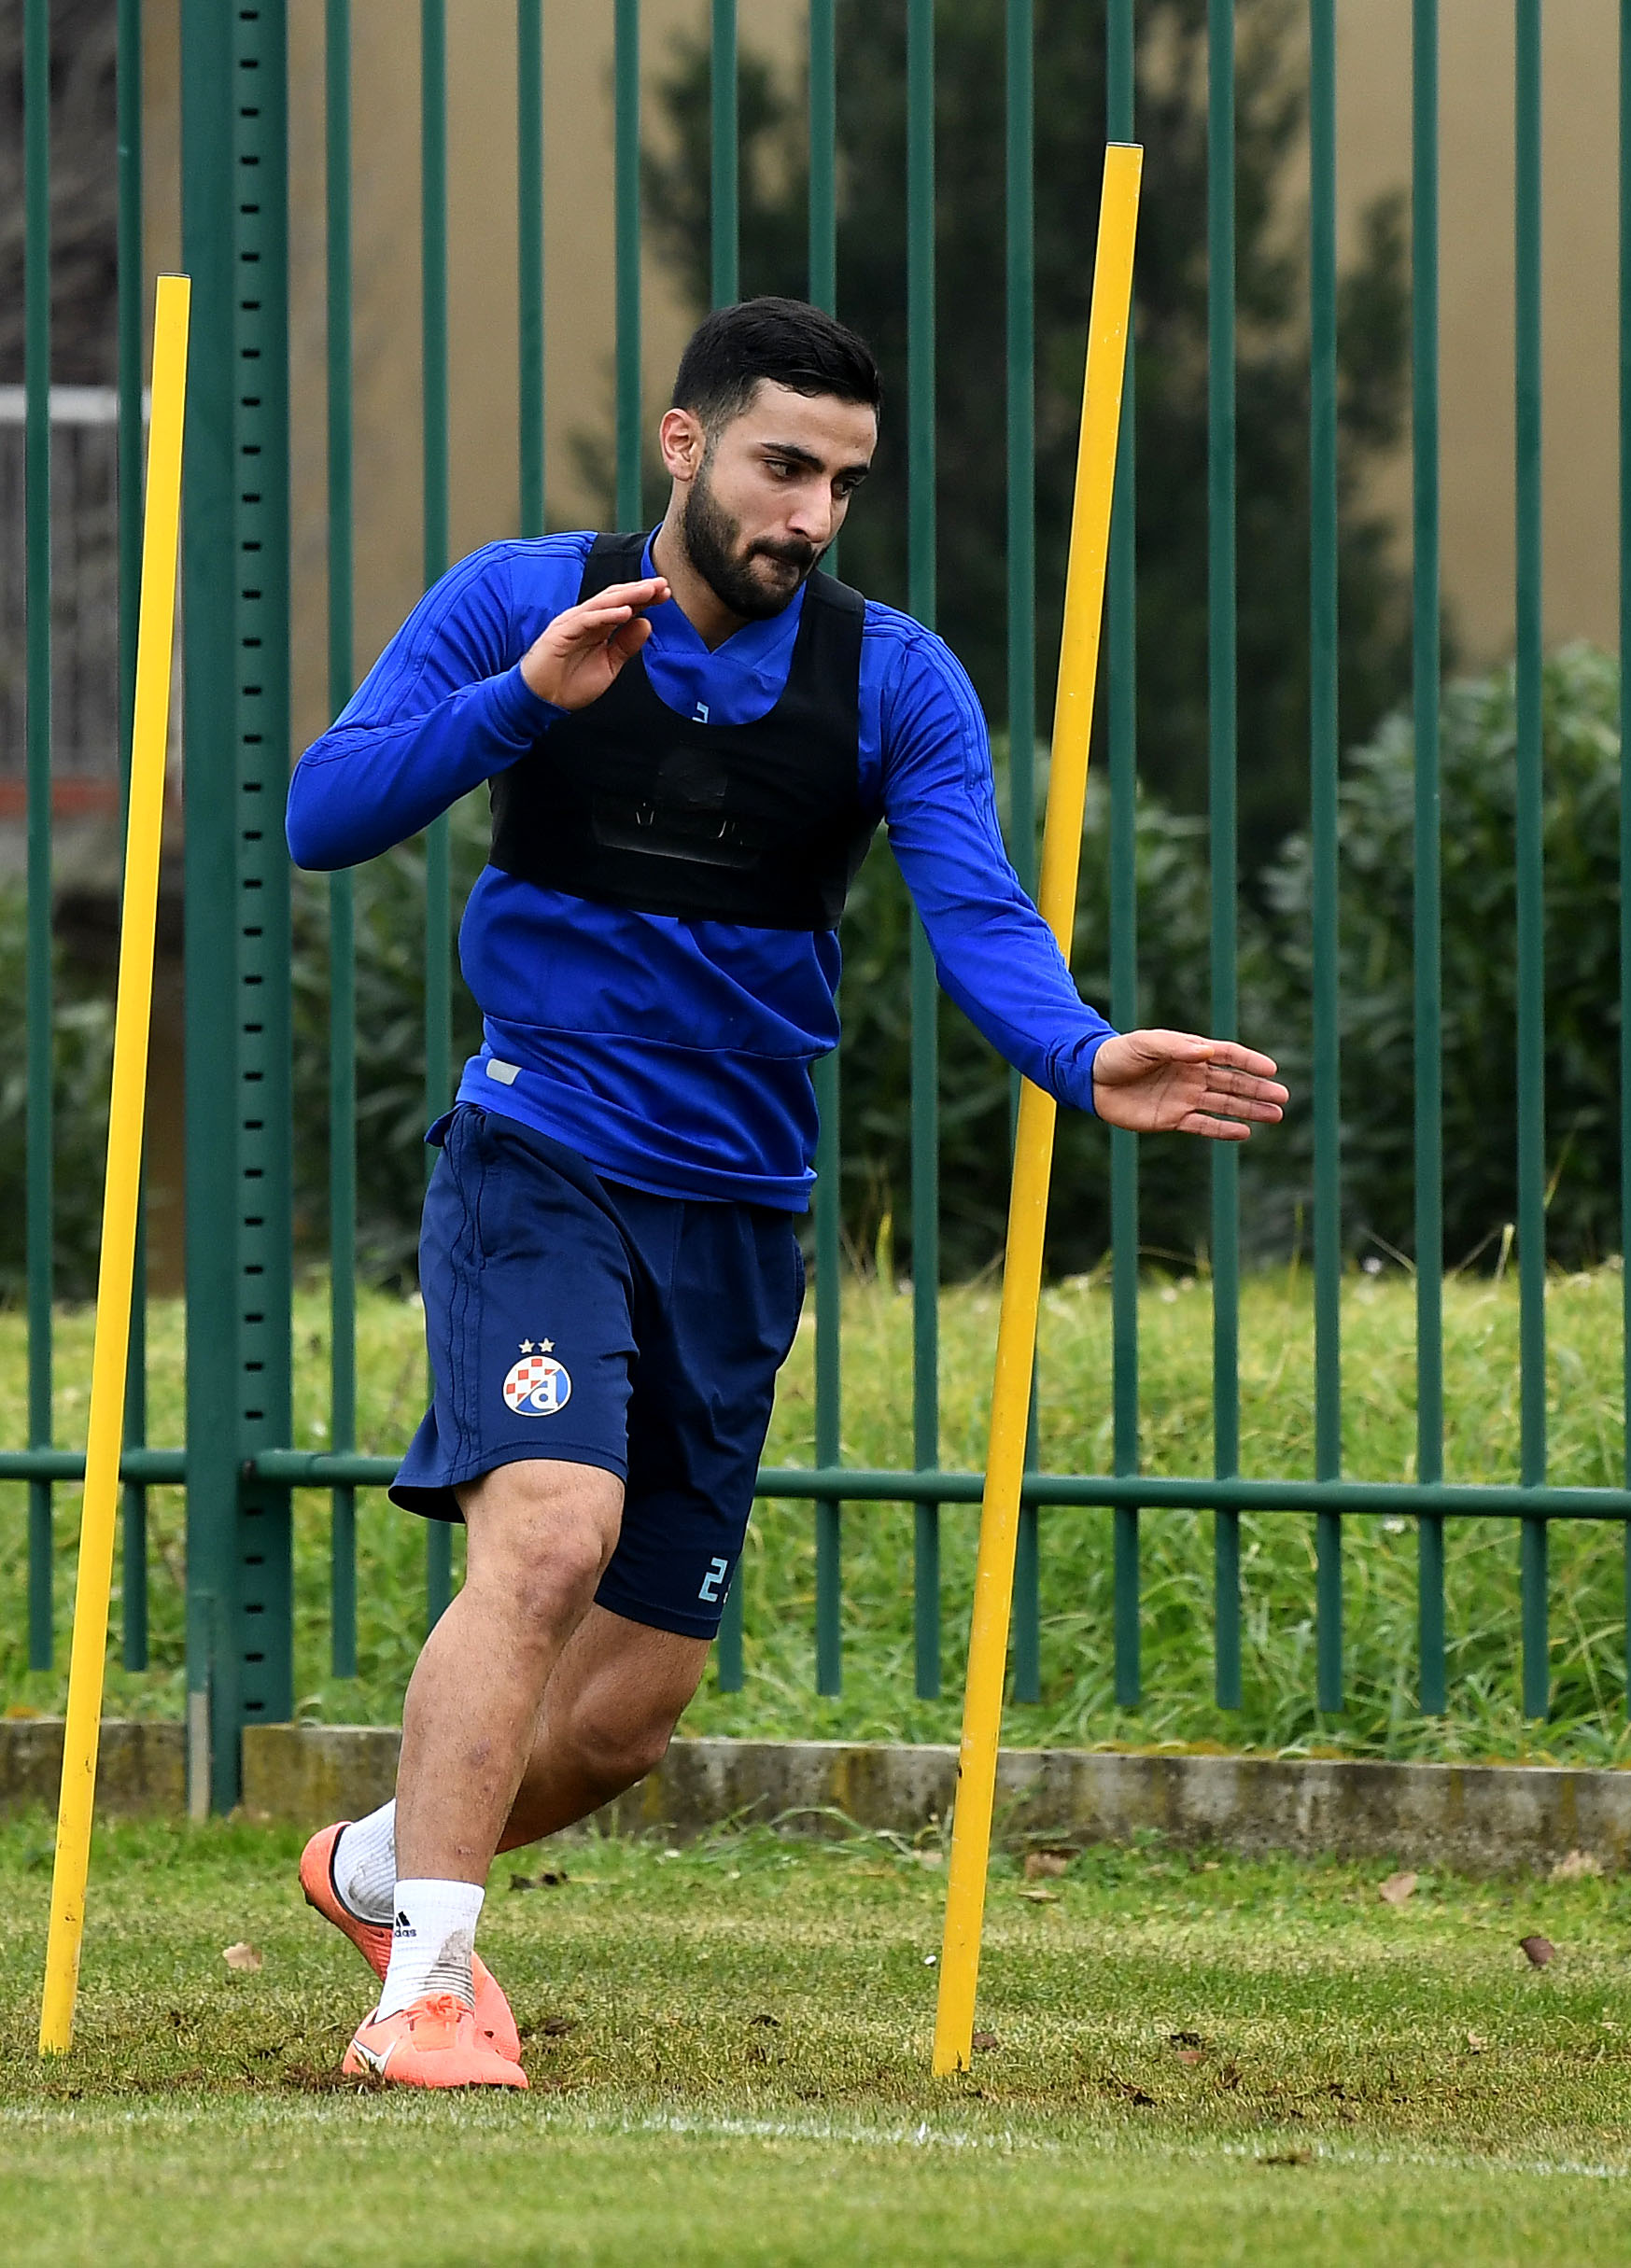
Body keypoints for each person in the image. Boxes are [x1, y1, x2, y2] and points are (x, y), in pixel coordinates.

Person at [283, 296, 1287, 2088]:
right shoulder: (520, 600)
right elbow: (323, 810)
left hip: (740, 1205)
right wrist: (522, 706)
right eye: (780, 466)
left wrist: (1079, 1053)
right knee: (551, 1534)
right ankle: (424, 1988)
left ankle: (374, 1868)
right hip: (539, 1151)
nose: (810, 513)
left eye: (841, 482)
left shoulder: (892, 679)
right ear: (683, 446)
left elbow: (977, 909)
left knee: (622, 1717)